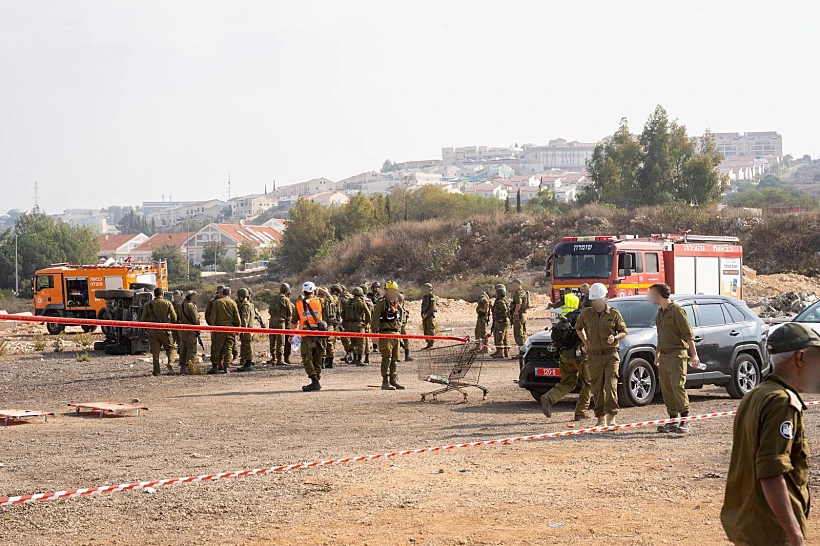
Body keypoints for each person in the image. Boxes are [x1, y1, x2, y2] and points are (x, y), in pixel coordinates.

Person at [720, 323, 820, 546]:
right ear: (801, 358)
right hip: (771, 531)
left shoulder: (757, 393)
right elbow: (771, 473)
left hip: (752, 523)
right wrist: (795, 537)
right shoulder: (781, 401)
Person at [648, 283, 700, 433]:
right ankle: (672, 419)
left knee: (677, 385)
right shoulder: (660, 313)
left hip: (677, 354)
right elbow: (661, 335)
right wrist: (657, 354)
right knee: (666, 387)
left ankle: (684, 419)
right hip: (664, 355)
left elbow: (688, 334)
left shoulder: (677, 311)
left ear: (658, 295)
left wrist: (694, 354)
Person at [575, 282, 627, 427]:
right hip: (594, 357)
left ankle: (611, 417)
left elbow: (624, 331)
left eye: (599, 300)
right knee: (597, 389)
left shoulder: (613, 314)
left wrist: (615, 338)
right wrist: (585, 342)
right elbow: (579, 328)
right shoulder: (586, 314)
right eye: (594, 300)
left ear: (604, 298)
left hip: (611, 356)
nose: (596, 303)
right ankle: (600, 418)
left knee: (610, 386)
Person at [539, 307, 592, 421]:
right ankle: (580, 413)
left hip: (565, 355)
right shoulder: (587, 319)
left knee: (567, 382)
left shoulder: (568, 318)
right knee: (588, 384)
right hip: (581, 357)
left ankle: (549, 397)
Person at [371, 281, 406, 390]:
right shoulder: (382, 303)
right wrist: (374, 334)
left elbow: (401, 317)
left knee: (395, 358)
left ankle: (393, 379)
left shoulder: (396, 303)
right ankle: (385, 381)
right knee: (387, 357)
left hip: (396, 333)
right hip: (385, 333)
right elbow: (375, 318)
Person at [292, 282, 326, 391]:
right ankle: (316, 381)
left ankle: (315, 381)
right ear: (313, 291)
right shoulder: (319, 301)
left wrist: (292, 335)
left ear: (303, 291)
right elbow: (330, 298)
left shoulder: (298, 304)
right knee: (317, 359)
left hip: (306, 336)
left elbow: (293, 323)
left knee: (307, 359)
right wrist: (320, 289)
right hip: (319, 335)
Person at [140, 287, 178, 376]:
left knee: (155, 353)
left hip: (153, 331)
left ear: (154, 294)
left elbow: (143, 319)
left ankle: (156, 371)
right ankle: (170, 364)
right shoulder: (167, 303)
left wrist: (147, 329)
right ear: (162, 294)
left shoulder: (148, 305)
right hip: (165, 330)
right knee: (170, 348)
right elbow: (174, 318)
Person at [208, 287, 241, 374]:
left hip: (219, 329)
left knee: (216, 348)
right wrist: (238, 327)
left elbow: (213, 317)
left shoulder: (217, 302)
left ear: (222, 293)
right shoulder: (233, 303)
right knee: (228, 348)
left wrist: (212, 328)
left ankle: (215, 367)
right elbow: (237, 318)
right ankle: (226, 367)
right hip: (230, 329)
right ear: (229, 294)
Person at [341, 287, 371, 366]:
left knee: (353, 341)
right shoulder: (361, 302)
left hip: (349, 325)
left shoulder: (348, 302)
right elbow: (368, 314)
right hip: (358, 324)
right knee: (361, 343)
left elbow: (342, 314)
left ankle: (349, 353)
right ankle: (359, 360)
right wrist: (366, 323)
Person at [267, 283, 293, 366]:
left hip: (271, 320)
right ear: (287, 290)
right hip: (280, 321)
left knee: (272, 339)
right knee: (280, 340)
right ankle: (279, 359)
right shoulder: (285, 299)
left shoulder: (273, 298)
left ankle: (273, 357)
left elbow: (269, 310)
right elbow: (290, 312)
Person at [177, 290, 200, 375]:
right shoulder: (191, 306)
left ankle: (182, 369)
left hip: (182, 330)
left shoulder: (180, 306)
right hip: (191, 330)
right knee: (191, 349)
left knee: (183, 349)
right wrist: (198, 330)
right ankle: (190, 369)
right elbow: (195, 319)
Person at [318, 286, 340, 369]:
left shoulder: (321, 301)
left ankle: (322, 362)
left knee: (322, 343)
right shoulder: (333, 301)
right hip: (331, 325)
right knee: (330, 344)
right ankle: (330, 362)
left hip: (322, 325)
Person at [235, 288, 255, 372]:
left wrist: (242, 329)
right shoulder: (249, 304)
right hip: (248, 329)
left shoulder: (245, 306)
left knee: (247, 346)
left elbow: (244, 318)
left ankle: (248, 363)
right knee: (246, 345)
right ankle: (247, 362)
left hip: (247, 329)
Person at [510, 279, 529, 355]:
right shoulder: (523, 292)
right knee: (522, 332)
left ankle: (521, 353)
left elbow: (519, 303)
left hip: (519, 315)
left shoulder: (518, 292)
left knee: (518, 333)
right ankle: (524, 352)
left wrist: (515, 312)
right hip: (523, 314)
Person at [491, 284, 510, 359]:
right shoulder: (500, 301)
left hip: (502, 321)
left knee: (499, 336)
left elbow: (504, 311)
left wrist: (495, 310)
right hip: (501, 321)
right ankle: (504, 352)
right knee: (504, 337)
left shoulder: (501, 302)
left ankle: (500, 352)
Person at [474, 284, 491, 352]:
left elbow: (486, 303)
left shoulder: (482, 296)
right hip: (480, 317)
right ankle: (478, 346)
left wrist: (483, 310)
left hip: (482, 317)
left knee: (482, 332)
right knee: (477, 332)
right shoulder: (482, 296)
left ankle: (485, 347)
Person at [421, 283, 438, 349]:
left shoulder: (432, 297)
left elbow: (432, 307)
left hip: (429, 316)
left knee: (430, 329)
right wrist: (422, 314)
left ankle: (431, 343)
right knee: (425, 330)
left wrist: (427, 314)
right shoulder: (425, 297)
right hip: (424, 315)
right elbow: (422, 306)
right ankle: (428, 343)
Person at [398, 292, 414, 362]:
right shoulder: (398, 308)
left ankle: (406, 355)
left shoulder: (401, 308)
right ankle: (402, 356)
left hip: (401, 326)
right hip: (398, 326)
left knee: (404, 341)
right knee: (398, 341)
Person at [366, 282, 382, 353]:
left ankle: (380, 345)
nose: (377, 289)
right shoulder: (369, 296)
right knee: (374, 331)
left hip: (379, 315)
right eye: (376, 287)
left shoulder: (379, 296)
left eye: (378, 287)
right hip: (372, 315)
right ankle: (375, 347)